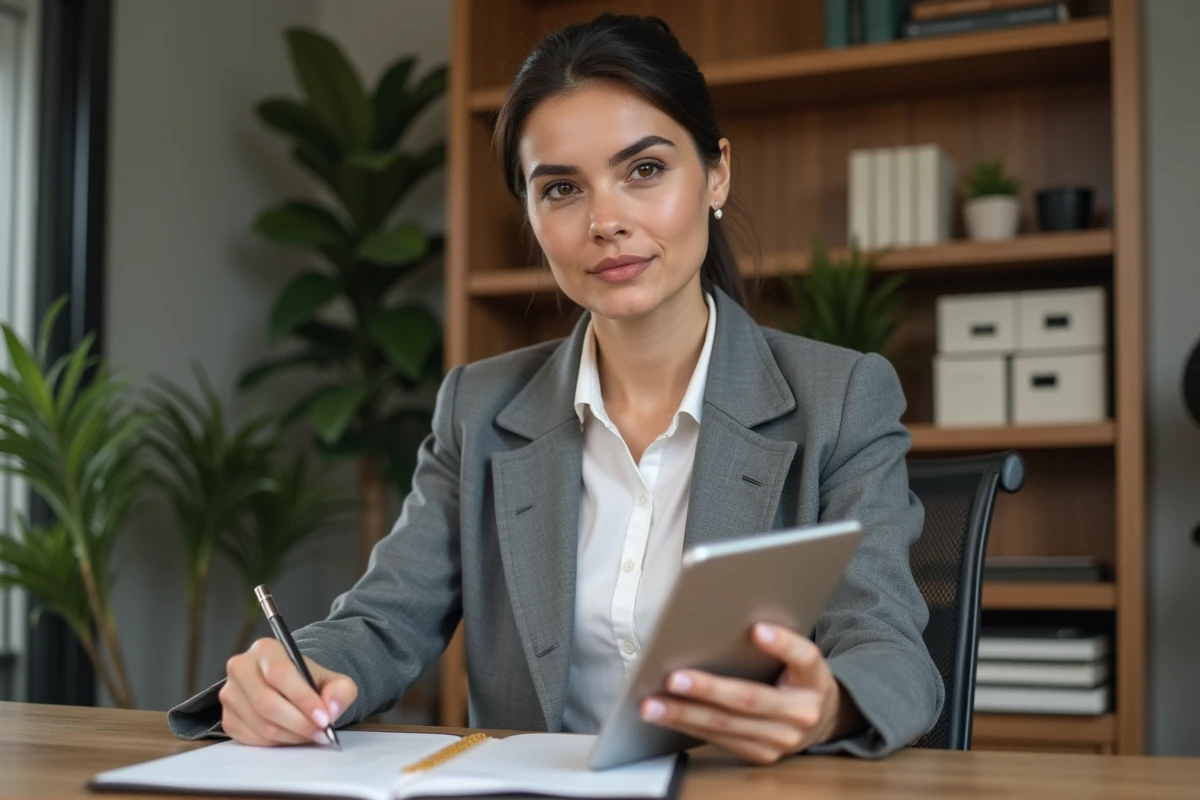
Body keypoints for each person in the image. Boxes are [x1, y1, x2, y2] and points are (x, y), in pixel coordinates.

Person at [169, 12, 943, 763]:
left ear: (716, 174)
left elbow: (889, 648)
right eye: (562, 189)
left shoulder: (841, 397)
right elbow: (381, 622)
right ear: (533, 216)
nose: (605, 221)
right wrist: (293, 679)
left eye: (644, 170)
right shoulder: (479, 407)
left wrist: (826, 704)